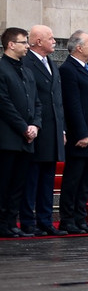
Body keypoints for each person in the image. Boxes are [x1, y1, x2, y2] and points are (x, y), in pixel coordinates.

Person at [58, 30, 88, 234]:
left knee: (87, 182)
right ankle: (67, 220)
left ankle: (80, 219)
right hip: (81, 137)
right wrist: (81, 133)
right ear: (78, 48)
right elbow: (73, 104)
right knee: (73, 180)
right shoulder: (68, 69)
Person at [20, 24, 64, 236]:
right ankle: (28, 221)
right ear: (38, 41)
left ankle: (45, 221)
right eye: (50, 37)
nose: (54, 41)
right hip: (36, 131)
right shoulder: (26, 63)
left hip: (53, 131)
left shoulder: (52, 64)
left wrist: (62, 129)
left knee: (47, 179)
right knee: (31, 179)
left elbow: (57, 100)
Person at [0, 28, 38, 237]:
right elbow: (4, 103)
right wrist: (24, 127)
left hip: (27, 138)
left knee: (18, 185)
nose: (27, 46)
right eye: (23, 42)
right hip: (8, 138)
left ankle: (11, 222)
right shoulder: (2, 68)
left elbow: (36, 103)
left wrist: (35, 125)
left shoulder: (27, 70)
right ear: (11, 45)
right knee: (5, 183)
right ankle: (2, 223)